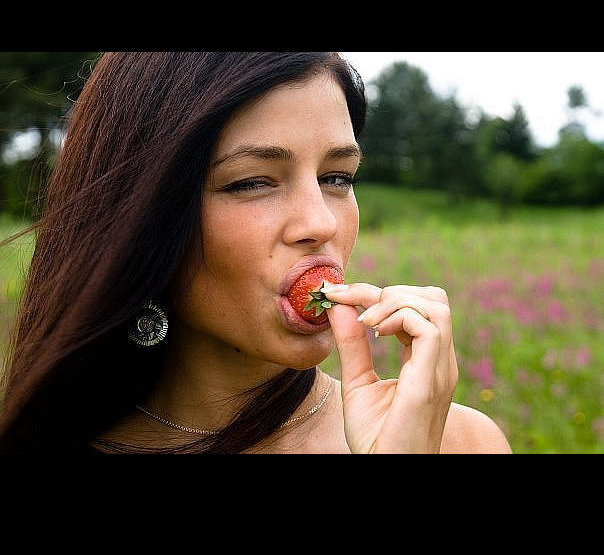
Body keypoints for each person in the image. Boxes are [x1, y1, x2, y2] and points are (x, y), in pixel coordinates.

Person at [0, 52, 512, 454]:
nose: (321, 222)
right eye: (251, 182)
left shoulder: (456, 442)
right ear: (144, 219)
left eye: (337, 177)